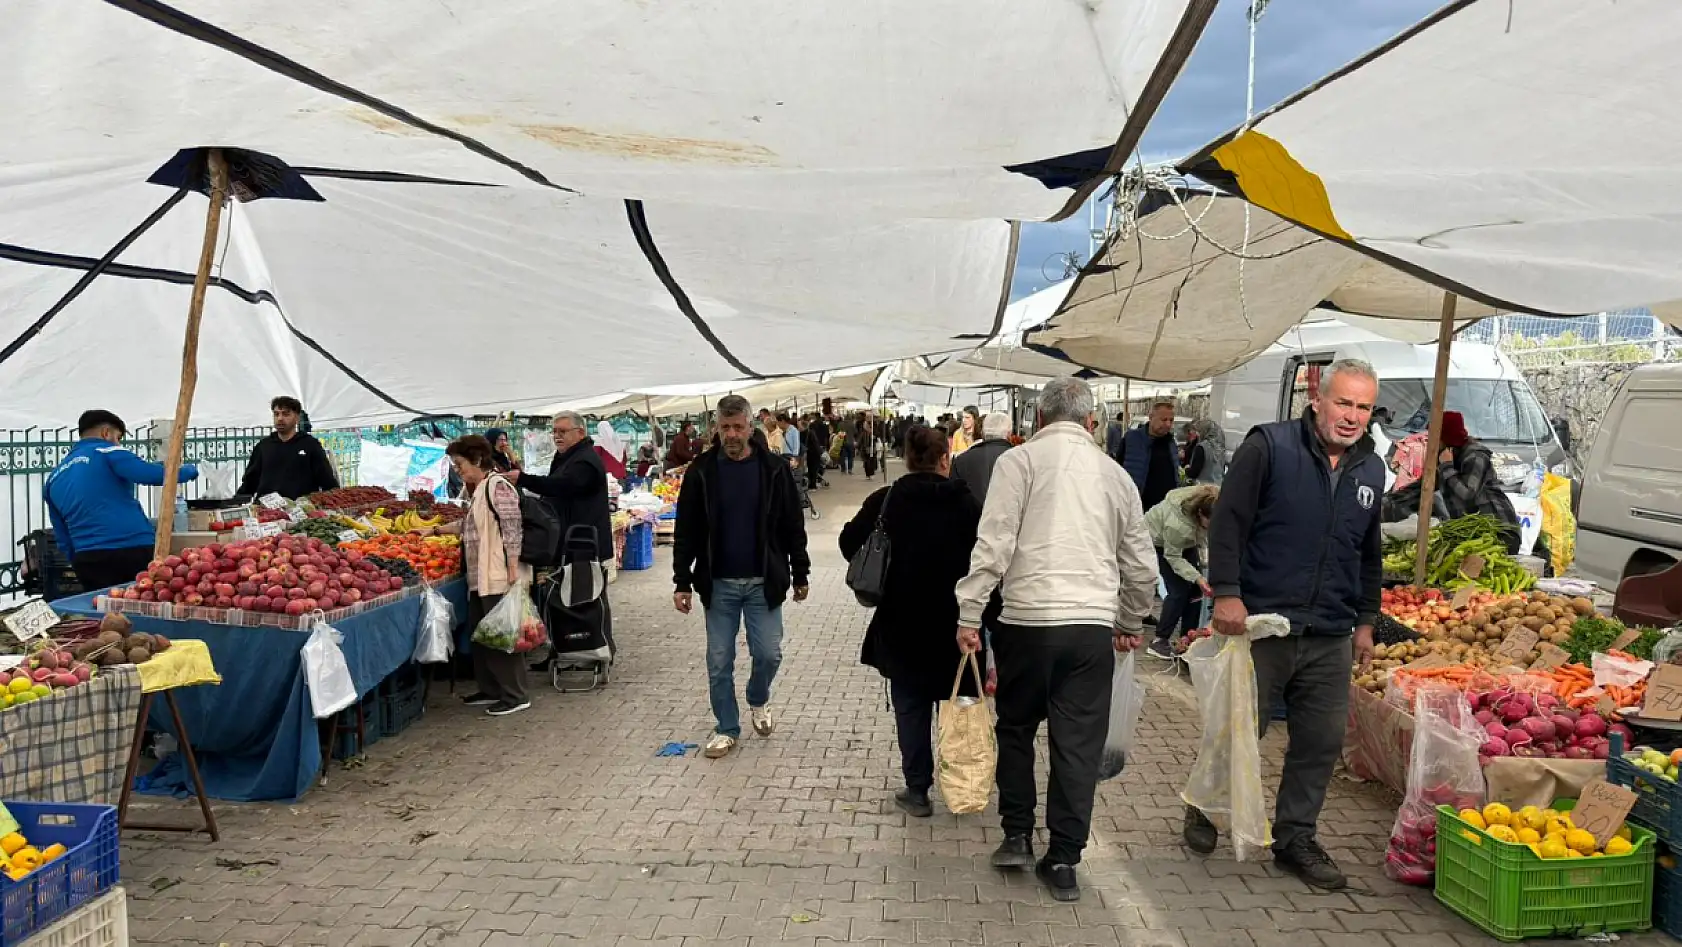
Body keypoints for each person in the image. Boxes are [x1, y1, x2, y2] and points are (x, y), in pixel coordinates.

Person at [954, 377, 1157, 903]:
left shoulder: (1017, 464)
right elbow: (1139, 563)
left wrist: (970, 613)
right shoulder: (1115, 476)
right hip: (1089, 630)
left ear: (1038, 420)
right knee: (1077, 747)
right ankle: (1064, 856)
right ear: (1091, 423)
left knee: (1017, 730)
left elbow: (993, 541)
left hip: (1025, 624)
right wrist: (1131, 622)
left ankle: (1017, 835)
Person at [1191, 358, 1385, 890]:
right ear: (1318, 397)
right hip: (1263, 625)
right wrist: (1227, 594)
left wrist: (1366, 621)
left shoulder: (1372, 469)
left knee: (1319, 742)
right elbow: (1228, 522)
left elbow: (1369, 554)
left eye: (1363, 407)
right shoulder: (1269, 447)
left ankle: (1295, 837)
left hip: (1330, 633)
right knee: (1238, 728)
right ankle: (1206, 806)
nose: (1351, 416)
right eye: (1343, 403)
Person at [839, 425, 982, 817]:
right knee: (961, 705)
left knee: (911, 708)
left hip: (902, 623)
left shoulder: (887, 501)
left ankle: (918, 789)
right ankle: (964, 785)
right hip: (958, 624)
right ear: (944, 459)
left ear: (906, 458)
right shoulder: (968, 504)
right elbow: (988, 563)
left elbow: (848, 542)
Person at [672, 395, 811, 759]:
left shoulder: (773, 469)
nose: (731, 434)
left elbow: (792, 525)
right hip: (718, 583)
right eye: (725, 427)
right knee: (718, 660)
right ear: (717, 428)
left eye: (738, 427)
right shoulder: (702, 470)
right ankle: (726, 727)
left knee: (768, 654)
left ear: (751, 427)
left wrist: (801, 572)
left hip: (764, 582)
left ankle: (758, 697)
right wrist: (681, 580)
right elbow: (686, 529)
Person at [46, 410, 200, 591]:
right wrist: (187, 471)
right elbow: (150, 475)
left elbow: (62, 536)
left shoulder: (54, 477)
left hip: (87, 558)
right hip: (130, 550)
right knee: (142, 608)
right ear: (106, 433)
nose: (118, 443)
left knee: (107, 612)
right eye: (118, 437)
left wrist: (80, 558)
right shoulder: (107, 451)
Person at [507, 412, 615, 665]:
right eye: (554, 431)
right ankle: (564, 648)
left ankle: (598, 647)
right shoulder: (569, 456)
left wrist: (523, 480)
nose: (557, 436)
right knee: (563, 599)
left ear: (580, 432)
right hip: (570, 541)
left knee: (590, 597)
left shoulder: (585, 462)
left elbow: (561, 486)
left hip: (584, 543)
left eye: (563, 431)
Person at [448, 435, 531, 716]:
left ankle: (515, 695)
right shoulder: (480, 488)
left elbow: (512, 528)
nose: (458, 470)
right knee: (482, 636)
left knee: (501, 637)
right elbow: (468, 526)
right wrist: (434, 531)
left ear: (477, 459)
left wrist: (511, 570)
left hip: (497, 574)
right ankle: (491, 689)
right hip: (479, 576)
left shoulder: (498, 486)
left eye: (459, 464)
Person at [1143, 484, 1219, 659]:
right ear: (1200, 514)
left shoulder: (1211, 500)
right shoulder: (1177, 525)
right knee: (1179, 591)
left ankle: (1188, 638)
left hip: (1186, 541)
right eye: (1210, 523)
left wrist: (1202, 575)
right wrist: (1199, 577)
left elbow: (1205, 539)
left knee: (1196, 591)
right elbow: (1173, 556)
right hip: (1160, 544)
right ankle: (1159, 641)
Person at [237, 396, 339, 499]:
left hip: (301, 511)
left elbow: (328, 482)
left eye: (286, 414)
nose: (280, 418)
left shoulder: (310, 445)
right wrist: (235, 502)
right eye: (276, 414)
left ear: (297, 418)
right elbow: (249, 482)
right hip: (266, 512)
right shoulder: (263, 446)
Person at [1113, 400, 1180, 513]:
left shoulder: (1170, 442)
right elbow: (1117, 469)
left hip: (1166, 507)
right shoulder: (1132, 439)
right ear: (1151, 417)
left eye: (1171, 420)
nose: (1168, 424)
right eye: (1164, 420)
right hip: (1139, 506)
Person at [951, 412, 1013, 504]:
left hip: (971, 517)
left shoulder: (961, 460)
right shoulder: (1021, 459)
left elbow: (954, 499)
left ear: (982, 433)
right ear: (1009, 434)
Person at [858, 414, 880, 481]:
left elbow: (877, 435)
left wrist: (875, 437)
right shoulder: (866, 429)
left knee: (870, 461)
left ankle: (869, 474)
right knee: (868, 461)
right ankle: (869, 474)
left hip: (870, 447)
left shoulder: (873, 427)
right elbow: (861, 438)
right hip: (867, 447)